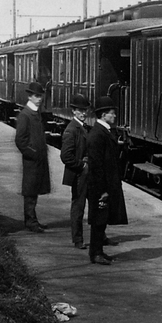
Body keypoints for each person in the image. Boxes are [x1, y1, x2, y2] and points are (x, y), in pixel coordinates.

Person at [85, 96, 128, 265]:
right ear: (103, 115)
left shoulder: (103, 132)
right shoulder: (98, 134)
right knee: (98, 221)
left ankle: (99, 251)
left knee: (102, 220)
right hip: (100, 187)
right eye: (112, 113)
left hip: (105, 185)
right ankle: (95, 253)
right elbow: (96, 166)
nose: (114, 116)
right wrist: (102, 190)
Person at [14, 80, 50, 233]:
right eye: (36, 96)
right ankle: (30, 221)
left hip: (37, 160)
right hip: (32, 161)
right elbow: (20, 140)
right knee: (30, 191)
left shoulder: (35, 113)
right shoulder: (25, 115)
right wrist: (33, 153)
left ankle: (33, 219)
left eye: (40, 96)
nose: (39, 98)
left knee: (34, 191)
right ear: (29, 96)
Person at [60, 93, 92, 250]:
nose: (83, 113)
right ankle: (77, 239)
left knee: (95, 205)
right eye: (80, 110)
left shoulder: (83, 127)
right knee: (78, 207)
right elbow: (65, 156)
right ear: (73, 111)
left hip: (86, 174)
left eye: (85, 110)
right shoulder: (71, 129)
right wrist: (82, 166)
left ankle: (100, 236)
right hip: (79, 175)